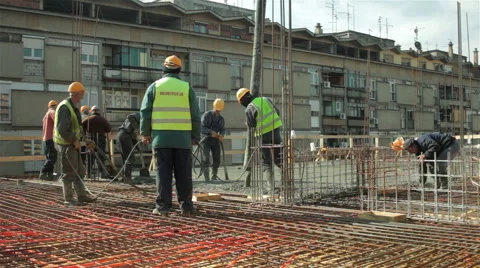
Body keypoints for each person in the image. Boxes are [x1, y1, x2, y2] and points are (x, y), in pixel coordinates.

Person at [140, 55, 201, 216]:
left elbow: (145, 112)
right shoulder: (186, 88)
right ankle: (187, 207)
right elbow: (195, 114)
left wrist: (145, 133)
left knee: (163, 174)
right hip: (183, 140)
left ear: (164, 69)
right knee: (183, 174)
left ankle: (163, 207)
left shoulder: (155, 87)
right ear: (179, 70)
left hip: (161, 139)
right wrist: (195, 135)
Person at [54, 82, 97, 206]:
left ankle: (81, 196)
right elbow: (63, 130)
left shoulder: (73, 107)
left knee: (80, 170)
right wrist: (74, 140)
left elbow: (77, 129)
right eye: (82, 93)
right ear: (78, 93)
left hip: (73, 144)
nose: (83, 96)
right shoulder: (65, 107)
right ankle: (68, 199)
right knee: (69, 172)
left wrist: (86, 141)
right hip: (67, 145)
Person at [236, 88, 283, 192]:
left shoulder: (249, 108)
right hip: (275, 131)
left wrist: (248, 123)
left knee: (267, 161)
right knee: (279, 157)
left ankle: (271, 187)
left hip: (263, 135)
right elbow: (277, 112)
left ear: (242, 100)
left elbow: (251, 125)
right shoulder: (265, 99)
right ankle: (286, 182)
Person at [82, 105, 112, 178]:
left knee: (90, 157)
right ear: (98, 112)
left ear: (92, 112)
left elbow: (81, 127)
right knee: (101, 156)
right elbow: (108, 129)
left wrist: (84, 135)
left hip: (90, 139)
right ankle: (102, 174)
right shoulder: (103, 119)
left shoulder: (87, 119)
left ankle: (88, 173)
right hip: (100, 140)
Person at [200, 98, 226, 182]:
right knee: (205, 159)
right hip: (205, 140)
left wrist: (221, 135)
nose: (217, 112)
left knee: (217, 159)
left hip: (215, 141)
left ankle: (214, 176)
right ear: (214, 107)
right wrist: (210, 132)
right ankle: (207, 178)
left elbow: (222, 129)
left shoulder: (221, 119)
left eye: (219, 111)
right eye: (216, 110)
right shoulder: (206, 115)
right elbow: (202, 127)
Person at [117, 112, 141, 182]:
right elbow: (130, 117)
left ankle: (124, 177)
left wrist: (137, 147)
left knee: (125, 158)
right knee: (130, 158)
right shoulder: (140, 114)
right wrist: (137, 129)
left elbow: (133, 136)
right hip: (124, 135)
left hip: (123, 135)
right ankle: (127, 178)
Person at [39, 100, 58, 181]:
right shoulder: (52, 112)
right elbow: (57, 122)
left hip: (45, 139)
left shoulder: (45, 115)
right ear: (55, 106)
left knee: (49, 157)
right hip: (51, 138)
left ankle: (49, 174)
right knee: (52, 157)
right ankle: (43, 172)